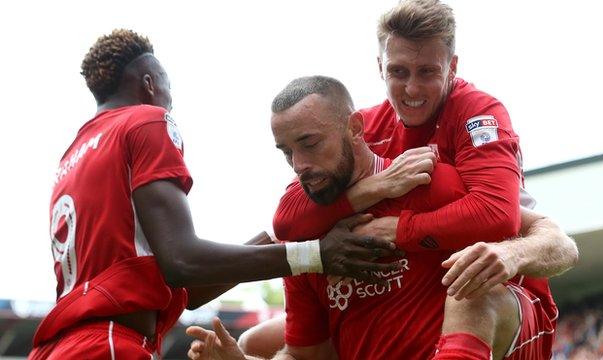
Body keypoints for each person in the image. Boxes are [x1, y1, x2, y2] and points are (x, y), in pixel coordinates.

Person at [28, 30, 430, 360]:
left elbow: (186, 291)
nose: (297, 164)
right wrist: (317, 254)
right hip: (107, 345)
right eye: (169, 91)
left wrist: (285, 240)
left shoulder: (73, 156)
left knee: (254, 345)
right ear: (150, 85)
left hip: (58, 345)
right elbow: (182, 261)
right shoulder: (146, 121)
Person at [186, 76, 579, 359]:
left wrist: (510, 256)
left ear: (356, 128)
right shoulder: (306, 238)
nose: (299, 165)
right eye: (286, 152)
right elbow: (309, 356)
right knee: (254, 345)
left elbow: (556, 242)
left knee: (474, 296)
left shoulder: (432, 181)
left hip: (504, 331)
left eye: (310, 144)